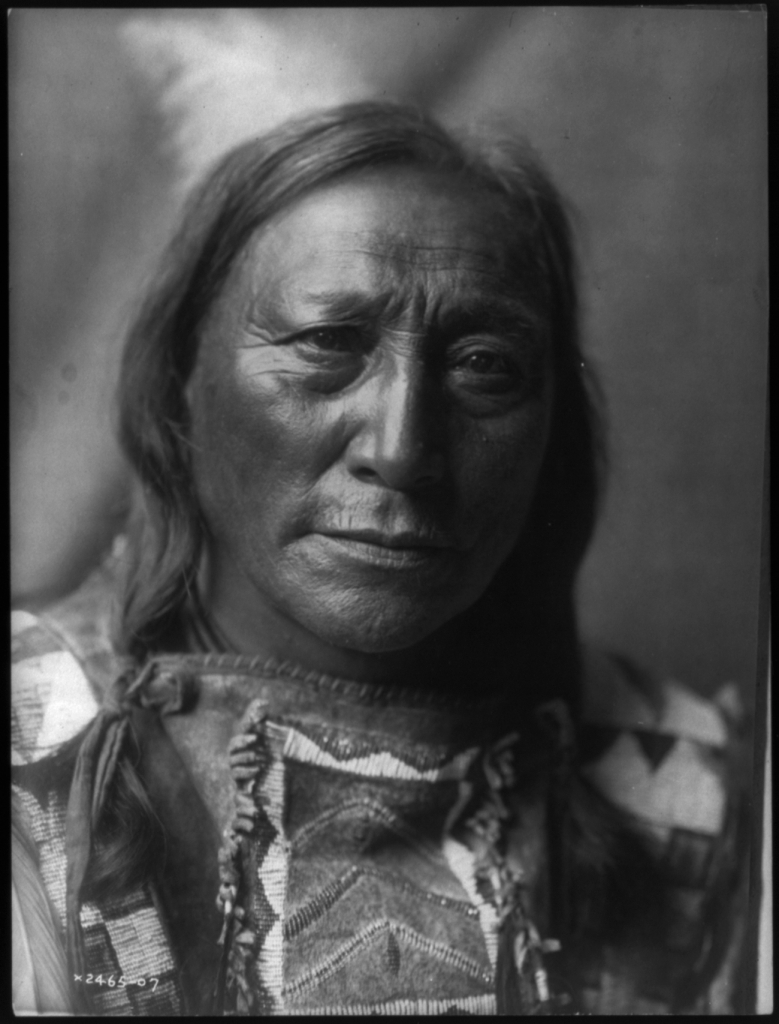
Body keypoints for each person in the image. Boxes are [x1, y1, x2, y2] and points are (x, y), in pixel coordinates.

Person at [11, 101, 750, 1016]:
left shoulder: (705, 800)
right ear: (179, 391)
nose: (402, 450)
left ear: (554, 433)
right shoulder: (26, 750)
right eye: (327, 343)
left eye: (484, 365)